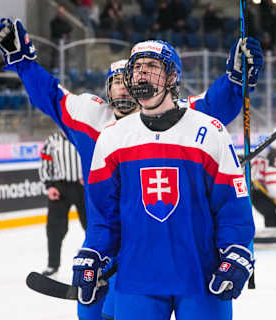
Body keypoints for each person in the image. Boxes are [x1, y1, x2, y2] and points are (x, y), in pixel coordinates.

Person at [0, 18, 263, 320]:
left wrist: (237, 79)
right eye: (120, 77)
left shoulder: (184, 117)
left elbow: (216, 105)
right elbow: (50, 96)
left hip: (176, 252)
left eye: (134, 74)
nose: (127, 83)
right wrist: (24, 62)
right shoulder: (95, 122)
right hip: (114, 250)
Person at [74, 40, 256, 320]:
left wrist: (236, 249)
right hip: (137, 277)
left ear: (172, 77)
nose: (141, 74)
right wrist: (93, 253)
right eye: (136, 68)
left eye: (151, 66)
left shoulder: (209, 131)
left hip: (201, 275)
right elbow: (103, 217)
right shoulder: (112, 138)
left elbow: (232, 208)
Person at [38, 130, 86, 277]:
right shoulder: (52, 140)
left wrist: (89, 177)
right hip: (60, 188)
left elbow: (93, 157)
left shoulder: (82, 135)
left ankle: (98, 261)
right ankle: (53, 265)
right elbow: (45, 164)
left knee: (92, 226)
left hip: (83, 187)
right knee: (54, 229)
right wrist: (49, 185)